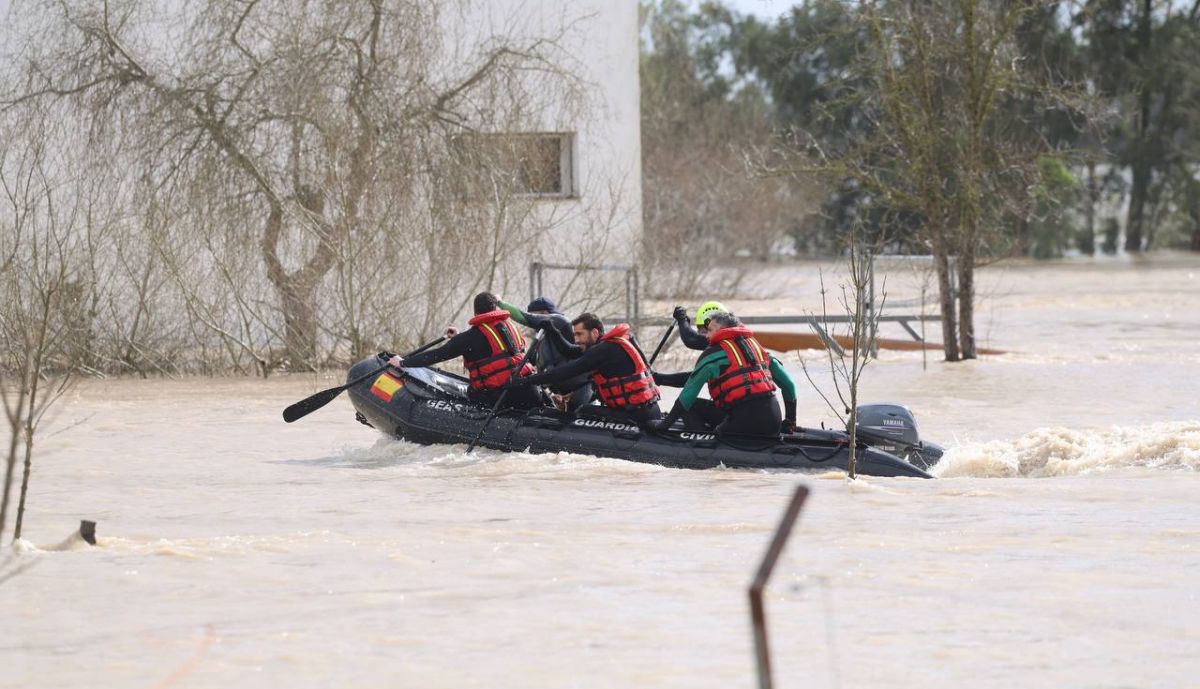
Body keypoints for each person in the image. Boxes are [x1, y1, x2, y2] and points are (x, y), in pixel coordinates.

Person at [651, 312, 797, 439]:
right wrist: (790, 422)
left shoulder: (712, 354)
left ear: (723, 330)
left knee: (692, 406)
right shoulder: (759, 349)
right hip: (773, 421)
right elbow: (789, 385)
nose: (706, 335)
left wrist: (664, 425)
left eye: (710, 330)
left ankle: (702, 443)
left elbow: (687, 396)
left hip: (746, 423)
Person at [388, 292, 543, 410]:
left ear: (475, 312)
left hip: (499, 396)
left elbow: (437, 355)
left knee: (471, 393)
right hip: (529, 390)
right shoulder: (513, 328)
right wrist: (458, 338)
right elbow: (494, 348)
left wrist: (403, 363)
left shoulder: (470, 337)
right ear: (495, 309)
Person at [505, 312, 663, 425]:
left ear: (594, 332)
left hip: (637, 415)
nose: (576, 340)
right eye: (575, 335)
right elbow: (570, 350)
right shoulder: (611, 344)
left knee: (583, 411)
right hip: (649, 410)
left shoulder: (603, 350)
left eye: (580, 334)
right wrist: (553, 331)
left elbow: (563, 373)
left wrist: (526, 381)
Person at [497, 296, 595, 411]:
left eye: (535, 315)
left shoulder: (557, 319)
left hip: (578, 388)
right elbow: (533, 361)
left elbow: (523, 317)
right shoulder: (542, 336)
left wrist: (499, 302)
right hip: (559, 389)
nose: (535, 321)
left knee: (578, 415)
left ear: (544, 313)